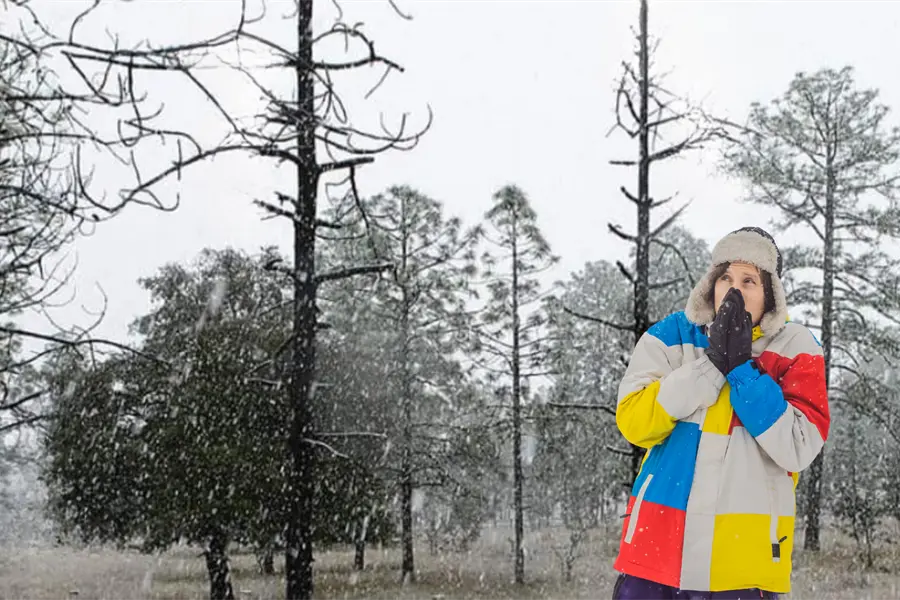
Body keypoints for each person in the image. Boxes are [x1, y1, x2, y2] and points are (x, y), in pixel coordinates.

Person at [611, 227, 830, 600]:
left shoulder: (797, 347)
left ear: (771, 292)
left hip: (743, 561)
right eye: (726, 277)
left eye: (749, 280)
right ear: (711, 282)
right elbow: (634, 423)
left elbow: (799, 444)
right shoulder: (671, 335)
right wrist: (710, 365)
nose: (734, 289)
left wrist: (742, 371)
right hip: (658, 548)